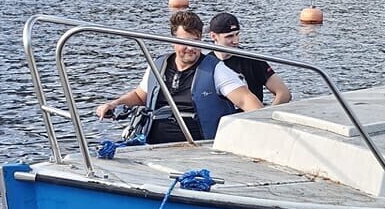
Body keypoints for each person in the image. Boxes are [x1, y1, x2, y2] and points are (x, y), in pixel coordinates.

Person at [95, 10, 261, 142]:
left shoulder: (217, 70)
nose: (191, 48)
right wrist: (114, 104)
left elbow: (247, 101)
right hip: (151, 146)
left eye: (195, 42)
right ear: (172, 40)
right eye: (185, 42)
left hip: (199, 148)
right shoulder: (158, 66)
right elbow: (140, 96)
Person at [207, 12, 292, 104]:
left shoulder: (252, 59)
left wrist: (264, 115)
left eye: (237, 34)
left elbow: (284, 93)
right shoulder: (206, 63)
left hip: (250, 115)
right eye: (229, 36)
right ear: (213, 36)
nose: (236, 41)